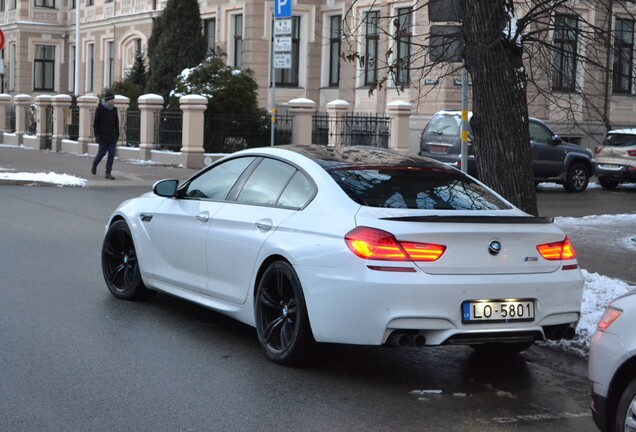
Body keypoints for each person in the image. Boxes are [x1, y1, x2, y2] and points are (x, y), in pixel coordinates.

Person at [91, 91, 119, 180]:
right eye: (112, 99)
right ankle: (95, 164)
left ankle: (108, 172)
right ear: (108, 100)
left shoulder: (114, 110)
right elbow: (96, 124)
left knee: (111, 154)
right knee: (101, 154)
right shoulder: (100, 109)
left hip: (112, 137)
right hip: (103, 137)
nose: (113, 101)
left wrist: (117, 134)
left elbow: (116, 123)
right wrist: (97, 135)